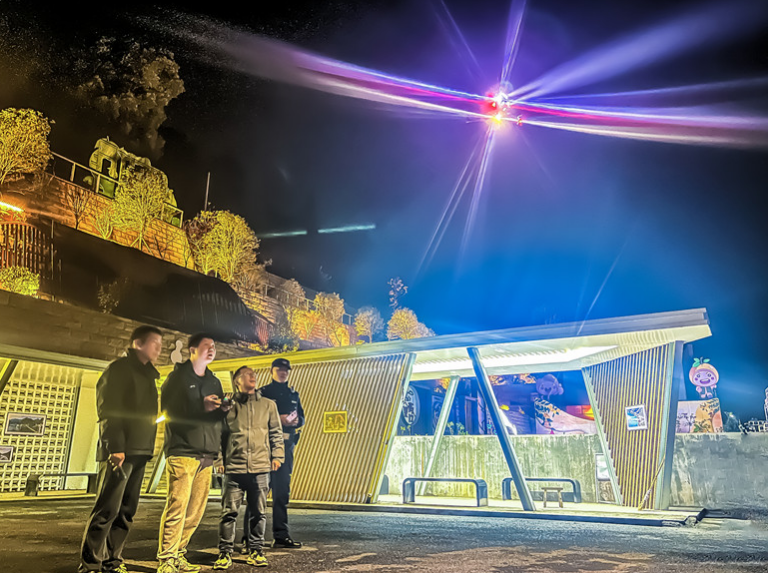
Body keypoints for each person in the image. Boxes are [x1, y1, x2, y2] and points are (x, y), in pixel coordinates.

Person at [79, 325, 163, 573]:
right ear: (138, 343)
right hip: (121, 452)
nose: (159, 348)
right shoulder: (118, 370)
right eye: (155, 343)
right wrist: (115, 446)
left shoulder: (150, 376)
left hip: (140, 450)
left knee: (127, 511)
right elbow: (108, 410)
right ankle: (90, 564)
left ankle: (112, 561)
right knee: (107, 509)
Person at [157, 334, 230, 573]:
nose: (212, 349)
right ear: (192, 349)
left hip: (206, 453)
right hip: (183, 450)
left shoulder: (214, 381)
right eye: (207, 346)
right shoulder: (177, 378)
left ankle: (179, 553)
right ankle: (166, 559)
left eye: (214, 346)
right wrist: (201, 406)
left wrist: (222, 410)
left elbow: (215, 419)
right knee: (177, 505)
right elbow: (169, 411)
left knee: (196, 510)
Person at [213, 367, 284, 570]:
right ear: (237, 381)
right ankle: (225, 553)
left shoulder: (269, 405)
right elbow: (218, 434)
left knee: (258, 513)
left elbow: (276, 433)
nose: (252, 376)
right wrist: (219, 461)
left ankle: (256, 550)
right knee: (228, 513)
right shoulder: (228, 406)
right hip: (233, 469)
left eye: (253, 374)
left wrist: (278, 456)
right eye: (246, 374)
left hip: (260, 468)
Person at [259, 358, 304, 548]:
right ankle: (251, 538)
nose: (283, 373)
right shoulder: (263, 393)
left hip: (287, 447)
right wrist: (279, 419)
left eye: (286, 370)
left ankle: (281, 536)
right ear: (272, 371)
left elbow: (302, 417)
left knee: (282, 493)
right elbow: (255, 416)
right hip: (266, 447)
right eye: (279, 369)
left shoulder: (293, 394)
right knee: (259, 492)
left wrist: (297, 420)